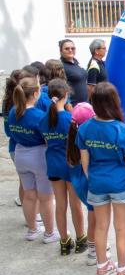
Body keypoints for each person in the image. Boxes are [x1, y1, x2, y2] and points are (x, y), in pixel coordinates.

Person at [76, 82, 125, 275]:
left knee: (100, 227)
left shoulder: (85, 128)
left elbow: (84, 161)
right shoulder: (121, 129)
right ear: (114, 102)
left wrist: (92, 179)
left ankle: (102, 267)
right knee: (121, 228)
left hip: (97, 182)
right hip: (120, 183)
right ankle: (122, 270)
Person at [38, 78, 86, 255]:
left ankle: (64, 241)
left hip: (53, 164)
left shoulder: (44, 120)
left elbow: (45, 140)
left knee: (60, 204)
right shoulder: (69, 119)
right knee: (75, 204)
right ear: (66, 95)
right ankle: (81, 238)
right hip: (70, 164)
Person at [7, 77, 58, 243]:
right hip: (38, 156)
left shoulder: (14, 111)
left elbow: (10, 132)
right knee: (46, 197)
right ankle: (50, 233)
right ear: (36, 93)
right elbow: (47, 138)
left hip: (21, 153)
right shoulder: (38, 116)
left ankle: (32, 230)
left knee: (29, 195)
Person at [66, 102, 109, 266]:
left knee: (94, 217)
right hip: (89, 183)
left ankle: (95, 247)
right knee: (95, 219)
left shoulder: (72, 137)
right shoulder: (88, 137)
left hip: (79, 183)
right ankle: (93, 252)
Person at [2, 69, 24, 207]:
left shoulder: (7, 102)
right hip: (21, 147)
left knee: (24, 180)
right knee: (27, 184)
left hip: (14, 146)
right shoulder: (18, 105)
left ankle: (23, 201)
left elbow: (8, 131)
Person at [59, 39, 88, 106]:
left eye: (73, 48)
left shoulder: (76, 62)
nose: (70, 50)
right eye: (67, 48)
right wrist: (68, 106)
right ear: (61, 51)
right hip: (73, 106)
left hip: (84, 105)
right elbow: (60, 89)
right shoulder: (60, 66)